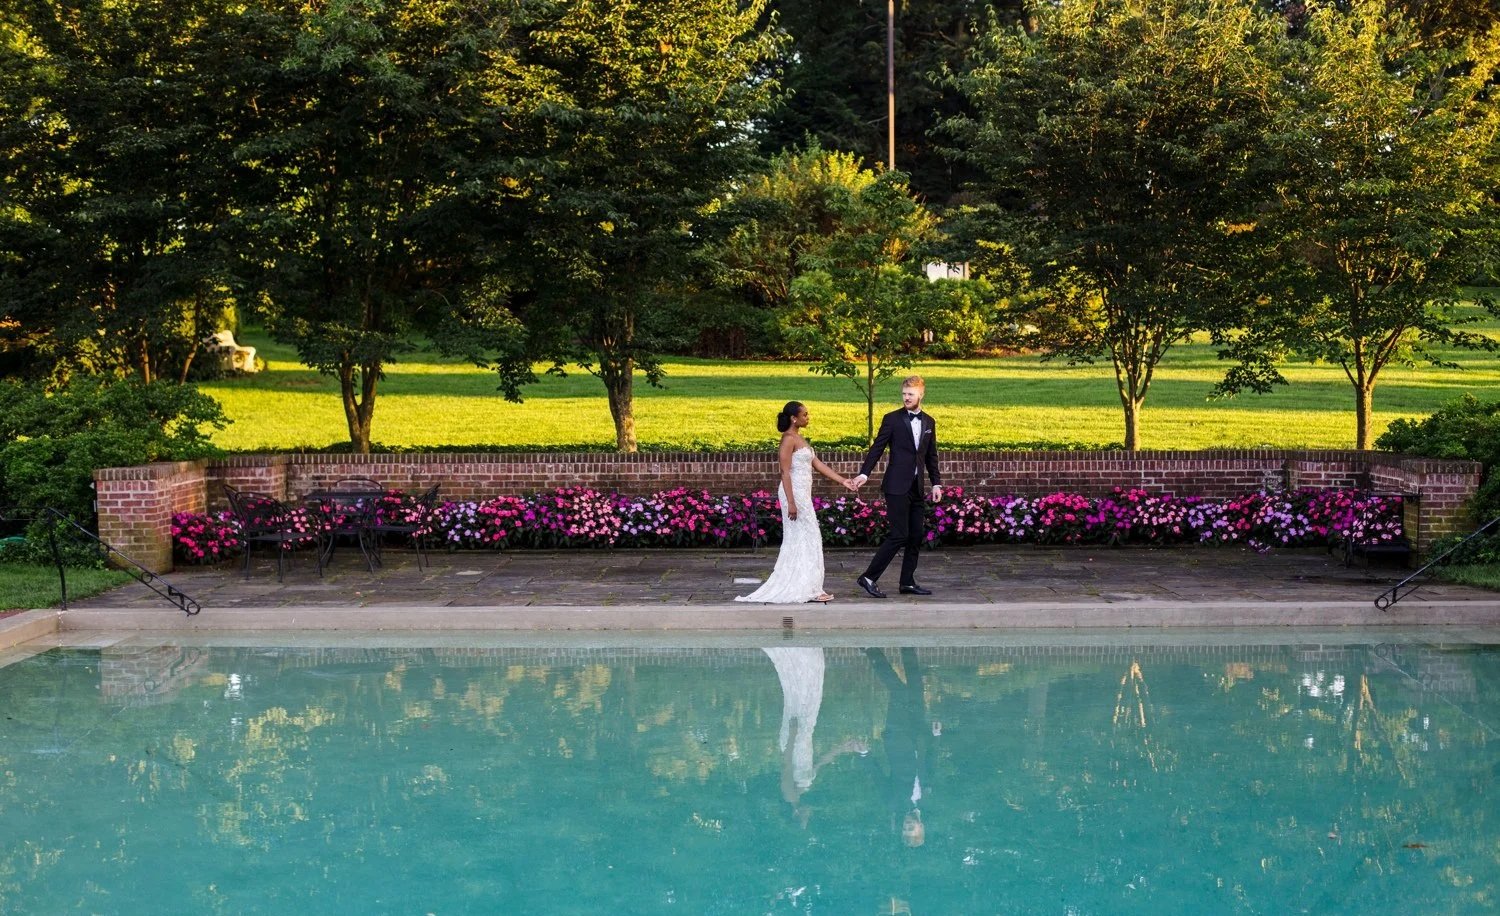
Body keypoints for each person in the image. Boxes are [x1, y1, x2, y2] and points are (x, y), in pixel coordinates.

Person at [736, 402, 859, 604]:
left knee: (809, 539)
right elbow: (784, 472)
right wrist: (791, 502)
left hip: (803, 494)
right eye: (805, 414)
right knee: (805, 537)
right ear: (794, 418)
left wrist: (843, 480)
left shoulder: (800, 438)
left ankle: (811, 586)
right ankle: (809, 589)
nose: (808, 417)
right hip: (793, 494)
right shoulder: (788, 440)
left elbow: (817, 464)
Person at [850, 376, 943, 598]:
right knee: (899, 534)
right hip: (896, 486)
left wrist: (936, 483)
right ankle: (869, 577)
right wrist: (864, 473)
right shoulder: (891, 419)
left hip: (917, 487)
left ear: (921, 394)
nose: (906, 398)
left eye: (910, 394)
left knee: (916, 535)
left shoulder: (929, 422)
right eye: (904, 394)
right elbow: (877, 448)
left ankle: (907, 582)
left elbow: (931, 456)